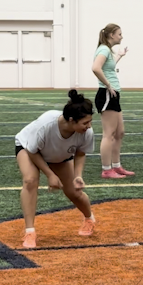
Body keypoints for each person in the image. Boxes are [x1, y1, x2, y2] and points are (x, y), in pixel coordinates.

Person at [15, 89, 96, 248]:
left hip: (59, 155)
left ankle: (89, 219)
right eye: (85, 123)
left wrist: (78, 176)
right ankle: (30, 232)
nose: (89, 126)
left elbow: (80, 154)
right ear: (71, 120)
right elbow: (32, 151)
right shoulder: (46, 124)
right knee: (30, 180)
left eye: (90, 121)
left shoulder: (87, 133)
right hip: (29, 149)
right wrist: (50, 175)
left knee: (73, 191)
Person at [91, 23, 134, 179]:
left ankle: (116, 166)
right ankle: (106, 169)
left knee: (119, 132)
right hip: (107, 94)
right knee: (109, 134)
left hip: (113, 94)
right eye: (119, 34)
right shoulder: (103, 49)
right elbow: (96, 68)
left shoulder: (107, 50)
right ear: (111, 35)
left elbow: (107, 68)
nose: (121, 37)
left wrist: (119, 56)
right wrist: (108, 85)